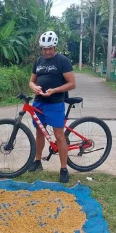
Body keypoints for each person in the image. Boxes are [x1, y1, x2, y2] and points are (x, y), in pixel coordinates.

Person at [28, 31, 76, 183]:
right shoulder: (39, 61)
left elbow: (72, 84)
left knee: (59, 136)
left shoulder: (62, 61)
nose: (47, 51)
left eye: (50, 48)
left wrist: (54, 90)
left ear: (55, 47)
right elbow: (31, 81)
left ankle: (63, 168)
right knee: (39, 132)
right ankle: (37, 161)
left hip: (55, 103)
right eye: (44, 49)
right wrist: (33, 88)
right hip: (39, 102)